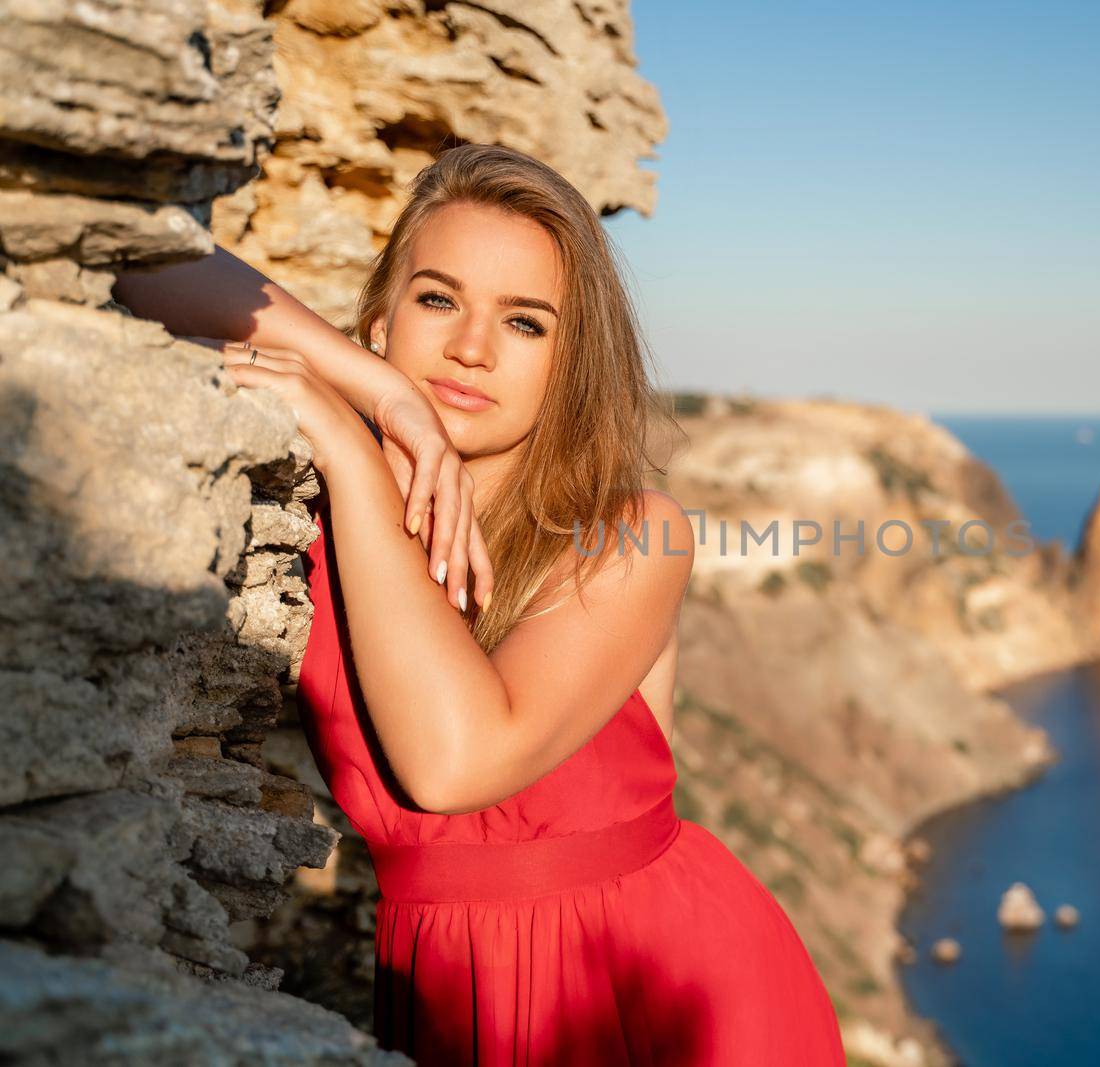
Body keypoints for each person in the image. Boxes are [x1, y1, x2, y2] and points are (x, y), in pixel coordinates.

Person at [113, 143, 847, 1066]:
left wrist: (349, 446)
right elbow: (124, 253)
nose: (471, 347)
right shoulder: (318, 483)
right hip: (452, 983)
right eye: (438, 298)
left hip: (669, 987)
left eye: (527, 323)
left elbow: (456, 764)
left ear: (568, 365)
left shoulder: (633, 533)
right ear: (381, 319)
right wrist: (376, 393)